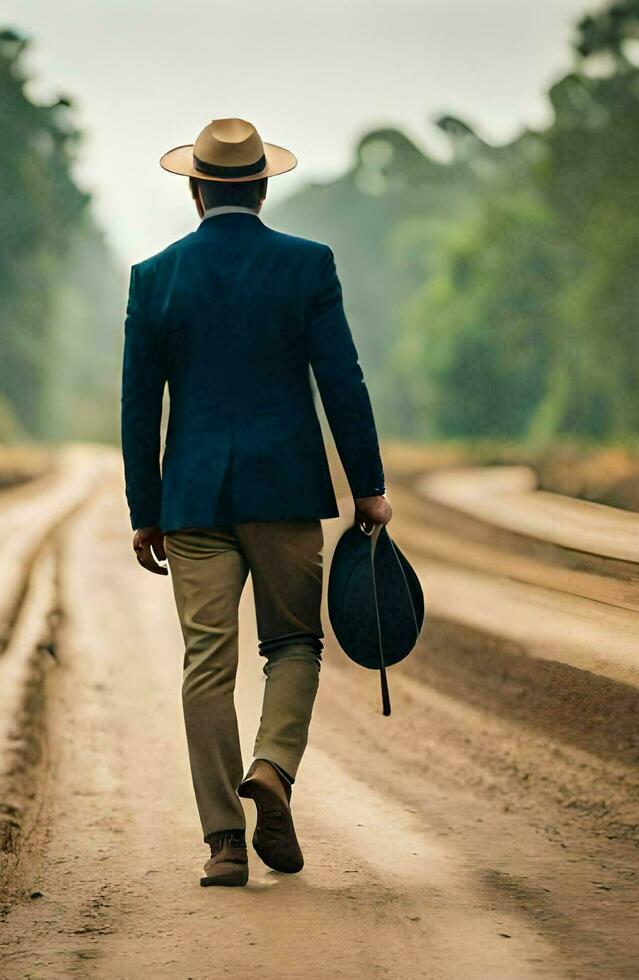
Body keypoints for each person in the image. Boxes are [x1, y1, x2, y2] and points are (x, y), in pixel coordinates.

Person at [121, 117, 393, 887]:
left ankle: (223, 844)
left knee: (207, 664)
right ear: (264, 187)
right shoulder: (307, 266)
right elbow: (344, 380)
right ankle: (273, 765)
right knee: (295, 645)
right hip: (284, 491)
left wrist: (146, 507)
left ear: (196, 191)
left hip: (194, 501)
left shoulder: (155, 276)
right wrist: (367, 487)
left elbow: (139, 406)